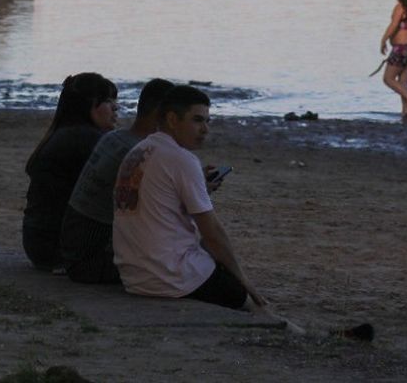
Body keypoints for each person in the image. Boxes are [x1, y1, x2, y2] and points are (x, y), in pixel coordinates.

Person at [113, 85, 265, 310]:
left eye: (207, 121)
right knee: (243, 299)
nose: (205, 130)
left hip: (134, 275)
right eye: (197, 120)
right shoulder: (182, 159)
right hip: (170, 276)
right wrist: (245, 282)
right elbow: (212, 233)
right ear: (173, 119)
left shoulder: (138, 151)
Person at [59, 78, 175, 284]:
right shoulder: (141, 153)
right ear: (164, 114)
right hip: (92, 262)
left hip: (73, 250)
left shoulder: (113, 138)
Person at [22, 72, 119, 270]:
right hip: (61, 248)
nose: (116, 108)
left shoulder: (62, 134)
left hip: (38, 243)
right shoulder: (88, 140)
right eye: (109, 101)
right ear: (91, 105)